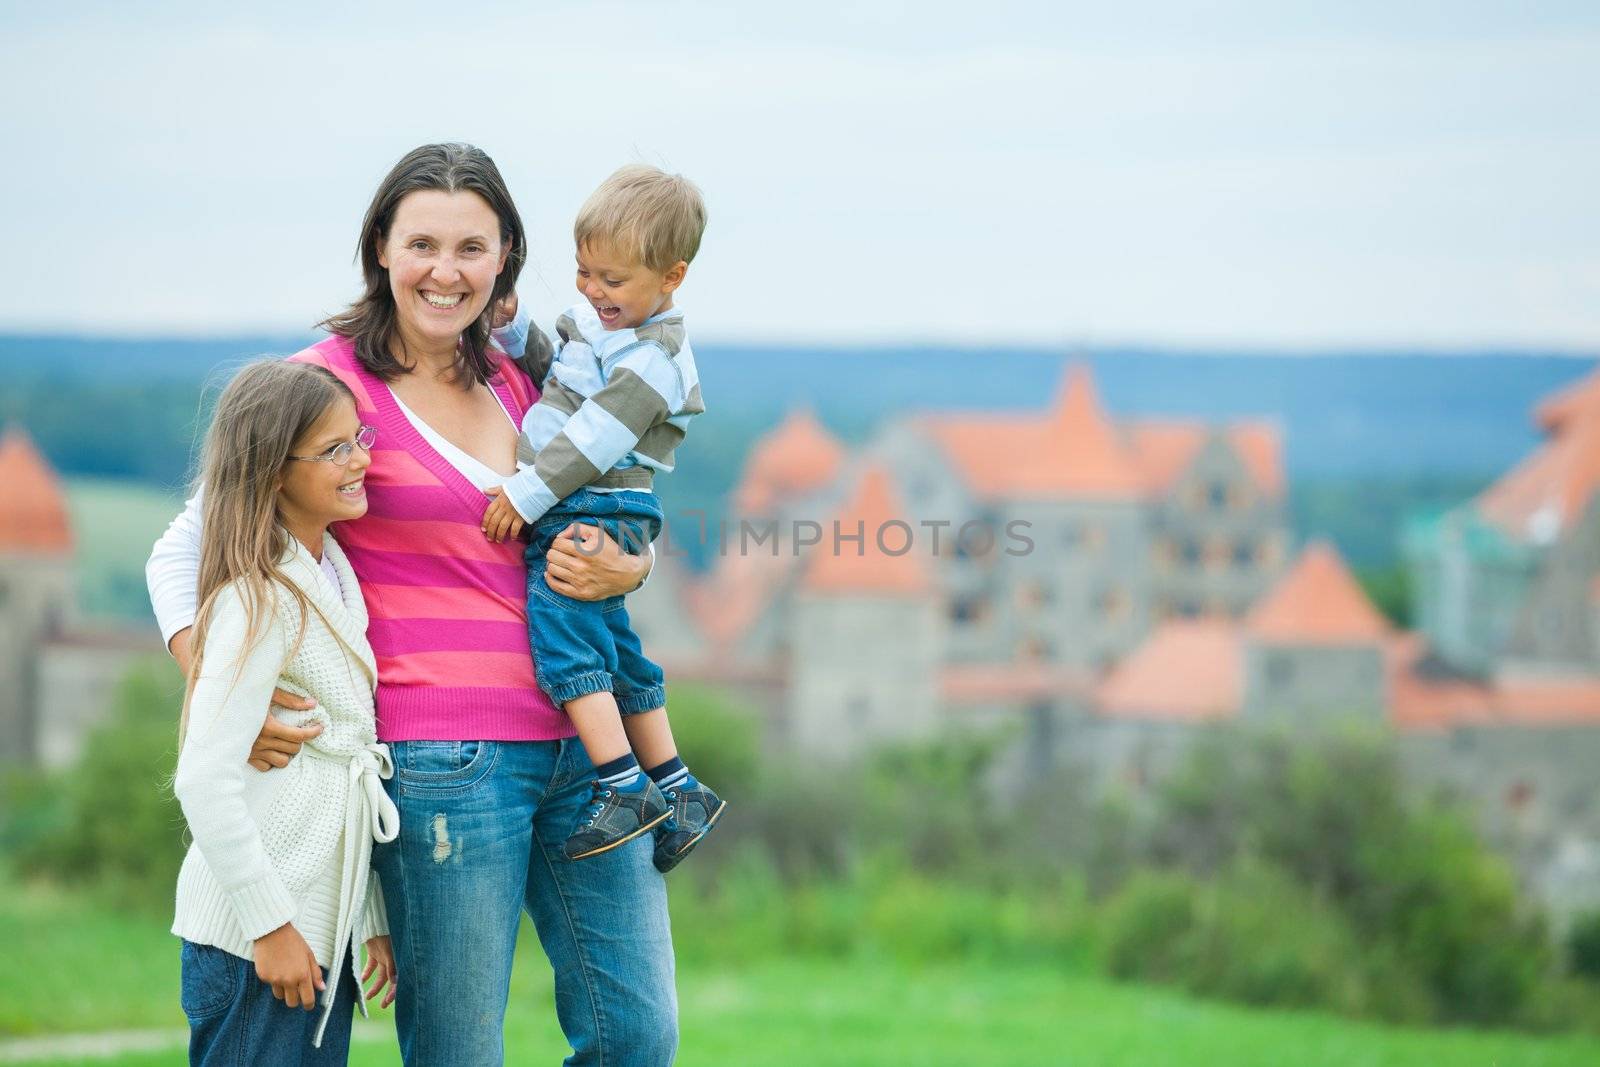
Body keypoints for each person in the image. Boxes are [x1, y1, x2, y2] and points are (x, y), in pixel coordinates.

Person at [148, 143, 677, 1067]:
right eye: (422, 243)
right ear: (381, 251)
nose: (446, 270)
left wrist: (629, 569)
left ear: (505, 256)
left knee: (638, 1034)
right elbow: (183, 548)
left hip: (592, 753)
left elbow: (600, 512)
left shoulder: (533, 379)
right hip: (445, 762)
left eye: (473, 247)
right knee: (458, 1050)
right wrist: (220, 685)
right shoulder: (325, 385)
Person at [481, 164, 725, 868]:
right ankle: (680, 790)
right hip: (598, 501)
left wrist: (525, 494)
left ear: (671, 276)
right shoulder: (607, 325)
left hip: (593, 500)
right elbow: (564, 370)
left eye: (612, 280)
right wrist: (515, 329)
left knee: (564, 639)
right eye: (585, 271)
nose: (592, 290)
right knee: (615, 650)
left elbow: (596, 438)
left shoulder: (655, 356)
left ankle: (623, 785)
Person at [171, 359, 398, 1064]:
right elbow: (203, 780)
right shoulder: (257, 597)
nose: (362, 457)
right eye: (334, 450)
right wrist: (271, 926)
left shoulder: (332, 574)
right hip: (256, 941)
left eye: (357, 436)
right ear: (273, 471)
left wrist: (370, 922)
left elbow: (341, 784)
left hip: (314, 934)